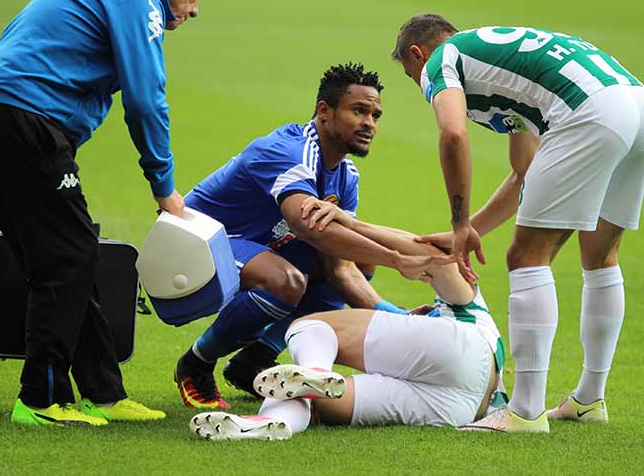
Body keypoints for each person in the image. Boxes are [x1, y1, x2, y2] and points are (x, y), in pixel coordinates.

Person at [0, 0, 211, 426]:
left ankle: (102, 391)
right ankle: (40, 400)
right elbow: (146, 99)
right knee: (70, 255)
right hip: (19, 123)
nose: (195, 9)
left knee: (68, 253)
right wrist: (164, 186)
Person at [391, 15, 644, 433]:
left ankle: (525, 411)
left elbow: (453, 135)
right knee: (601, 255)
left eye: (413, 76)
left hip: (590, 111)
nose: (421, 84)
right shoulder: (499, 64)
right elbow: (525, 171)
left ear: (417, 53)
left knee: (526, 257)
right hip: (637, 106)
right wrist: (473, 226)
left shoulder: (441, 58)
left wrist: (459, 222)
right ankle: (589, 399)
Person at [174, 63, 453, 410]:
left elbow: (341, 269)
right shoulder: (290, 150)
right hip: (196, 241)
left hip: (258, 246)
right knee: (286, 281)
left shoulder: (346, 175)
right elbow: (308, 227)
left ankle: (254, 360)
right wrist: (397, 259)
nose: (370, 124)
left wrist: (396, 317)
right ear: (324, 111)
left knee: (355, 258)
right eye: (359, 111)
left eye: (376, 115)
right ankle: (196, 362)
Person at [187, 201, 506, 440]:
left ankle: (315, 371)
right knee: (312, 400)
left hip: (465, 349)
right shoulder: (466, 328)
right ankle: (259, 427)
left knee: (310, 326)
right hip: (463, 407)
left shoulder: (471, 309)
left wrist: (350, 224)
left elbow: (432, 254)